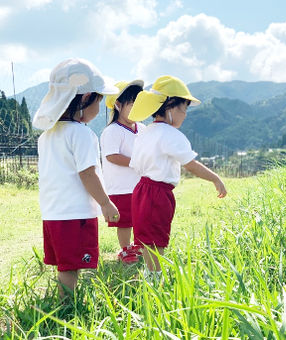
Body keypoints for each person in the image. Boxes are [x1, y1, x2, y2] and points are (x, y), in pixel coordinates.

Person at [32, 58, 120, 297]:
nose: (99, 108)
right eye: (99, 101)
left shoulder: (47, 136)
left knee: (65, 263)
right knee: (71, 267)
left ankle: (62, 300)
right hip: (76, 213)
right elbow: (88, 172)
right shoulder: (81, 134)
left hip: (53, 211)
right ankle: (66, 308)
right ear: (85, 98)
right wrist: (105, 202)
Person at [128, 75, 227, 279]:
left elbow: (135, 164)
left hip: (140, 190)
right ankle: (155, 278)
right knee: (157, 238)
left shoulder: (144, 133)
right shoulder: (171, 135)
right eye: (184, 109)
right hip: (158, 192)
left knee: (146, 237)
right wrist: (215, 178)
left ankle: (150, 273)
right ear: (170, 107)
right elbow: (191, 164)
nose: (185, 115)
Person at [100, 80, 145, 264]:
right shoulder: (112, 131)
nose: (136, 110)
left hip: (140, 185)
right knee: (125, 221)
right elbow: (112, 156)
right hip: (121, 186)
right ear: (118, 105)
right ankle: (125, 249)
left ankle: (139, 246)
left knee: (142, 218)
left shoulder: (142, 129)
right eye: (132, 105)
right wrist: (138, 163)